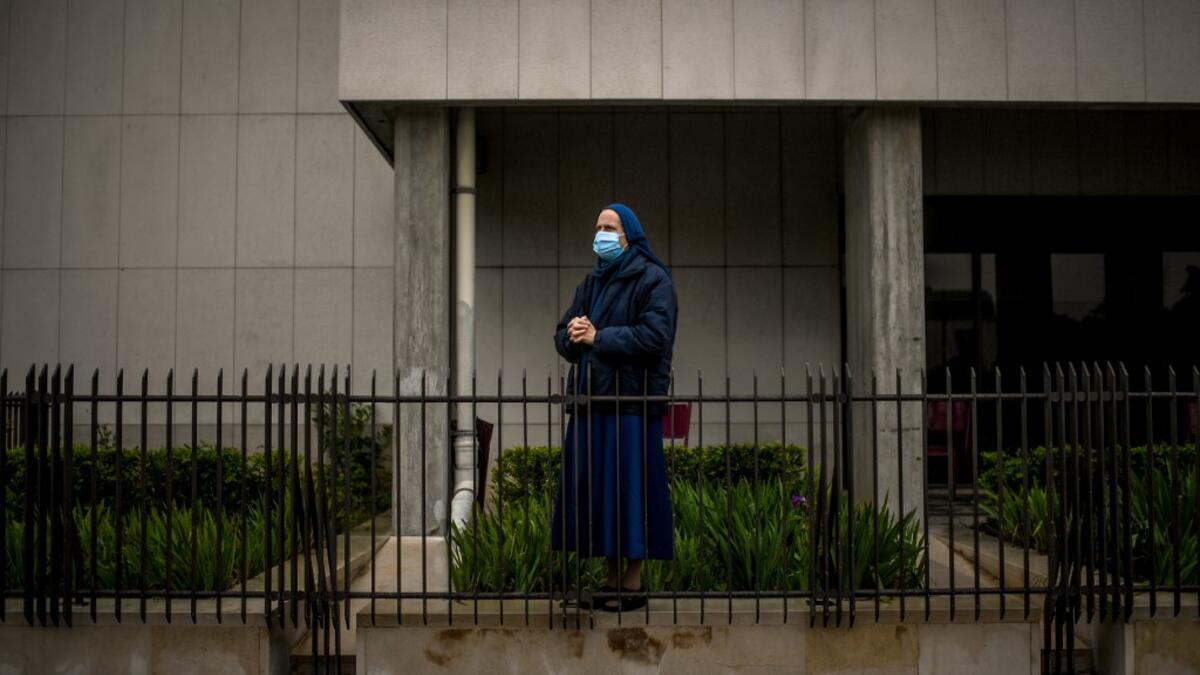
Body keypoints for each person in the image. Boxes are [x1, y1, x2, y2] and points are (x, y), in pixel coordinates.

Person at [550, 202, 678, 613]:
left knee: (631, 491)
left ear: (629, 235)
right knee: (601, 494)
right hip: (593, 403)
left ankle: (633, 582)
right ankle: (609, 582)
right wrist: (572, 334)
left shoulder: (653, 279)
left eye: (610, 226)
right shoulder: (591, 283)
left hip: (631, 406)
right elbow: (564, 333)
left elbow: (655, 337)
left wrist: (597, 337)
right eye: (598, 225)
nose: (601, 233)